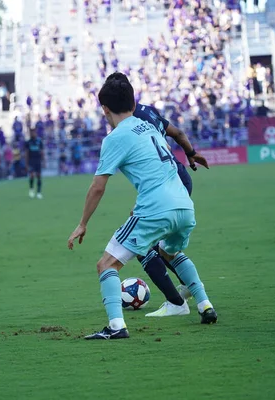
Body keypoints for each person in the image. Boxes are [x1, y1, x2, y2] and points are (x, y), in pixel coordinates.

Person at [67, 73, 201, 340]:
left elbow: (98, 186)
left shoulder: (115, 137)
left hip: (155, 207)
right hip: (184, 203)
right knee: (169, 253)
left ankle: (117, 326)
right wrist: (190, 153)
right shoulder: (149, 126)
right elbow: (175, 142)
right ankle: (202, 302)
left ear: (105, 109)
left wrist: (83, 223)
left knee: (106, 265)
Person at [132, 103, 217, 323]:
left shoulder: (130, 123)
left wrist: (143, 205)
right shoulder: (147, 110)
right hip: (181, 178)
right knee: (166, 249)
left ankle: (176, 302)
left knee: (140, 242)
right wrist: (192, 153)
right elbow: (178, 133)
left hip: (165, 185)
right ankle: (200, 298)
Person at [25, 129, 44, 199]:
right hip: (31, 161)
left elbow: (42, 152)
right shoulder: (28, 142)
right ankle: (31, 189)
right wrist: (26, 164)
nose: (32, 134)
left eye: (33, 132)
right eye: (31, 133)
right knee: (32, 175)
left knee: (38, 176)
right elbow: (26, 154)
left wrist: (43, 161)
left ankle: (39, 192)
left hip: (38, 161)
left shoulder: (39, 141)